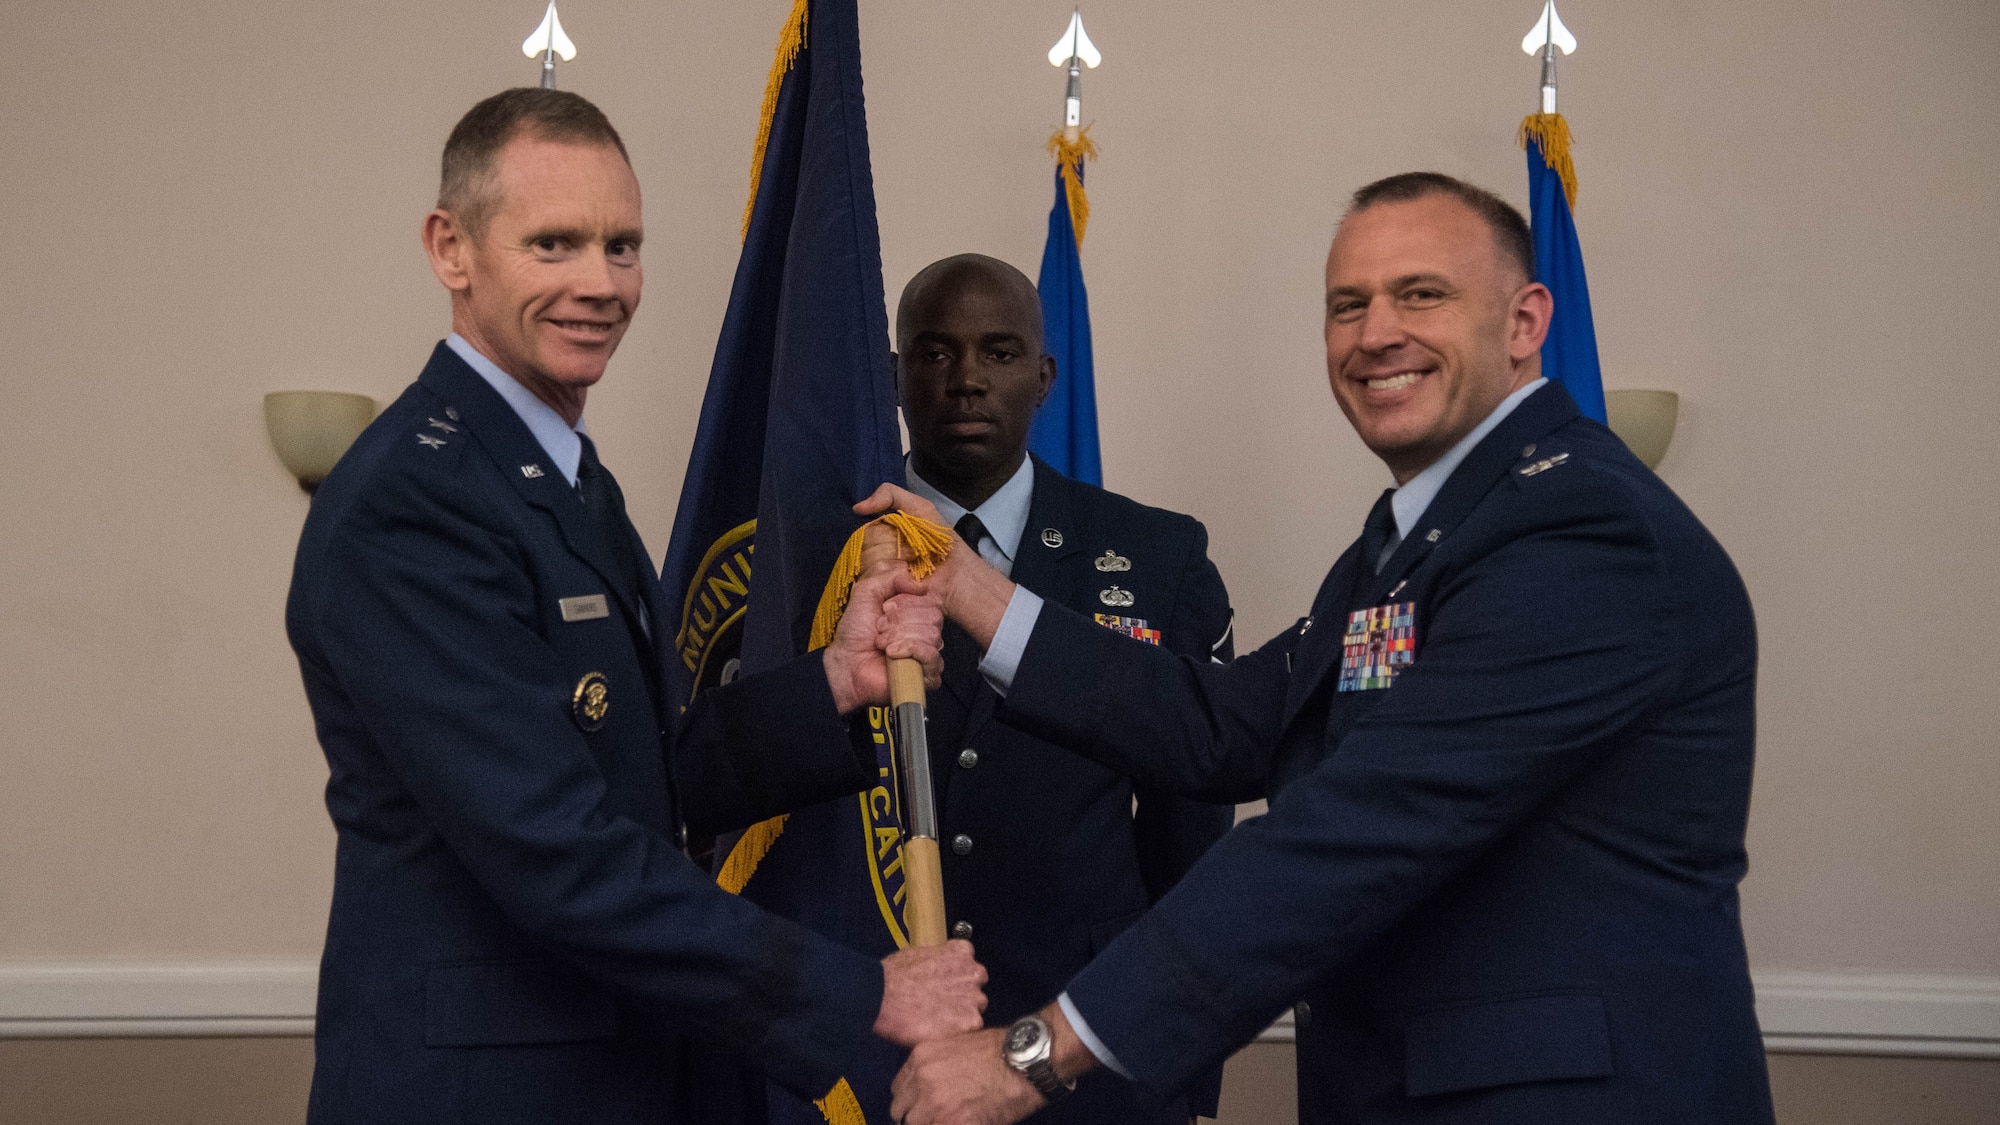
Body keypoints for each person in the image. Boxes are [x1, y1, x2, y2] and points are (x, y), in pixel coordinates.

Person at [877, 173, 1776, 1124]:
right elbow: (1220, 723)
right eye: (1349, 305)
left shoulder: (1583, 534)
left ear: (1524, 323)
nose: (1376, 332)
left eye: (1422, 293)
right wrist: (969, 589)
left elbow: (1355, 831)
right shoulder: (1415, 541)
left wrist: (1038, 1049)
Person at [284, 88, 983, 1125]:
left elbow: (637, 772)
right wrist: (860, 991)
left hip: (612, 1070)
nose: (599, 284)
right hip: (486, 1094)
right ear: (451, 248)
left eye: (622, 246)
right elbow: (557, 849)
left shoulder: (558, 475)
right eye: (554, 244)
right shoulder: (412, 505)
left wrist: (834, 682)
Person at [892, 254, 1237, 1123]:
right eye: (933, 353)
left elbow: (1186, 841)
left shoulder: (1159, 558)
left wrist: (1180, 1065)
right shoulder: (816, 553)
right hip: (879, 1054)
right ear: (891, 375)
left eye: (999, 353)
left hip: (1089, 1059)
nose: (966, 380)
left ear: (1044, 377)